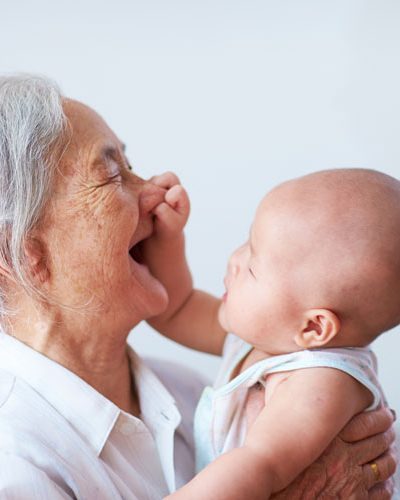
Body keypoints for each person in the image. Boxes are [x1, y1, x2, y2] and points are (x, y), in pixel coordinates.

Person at [0, 75, 395, 499]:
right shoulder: (17, 461)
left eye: (131, 166)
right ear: (25, 255)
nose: (157, 188)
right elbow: (183, 307)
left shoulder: (189, 393)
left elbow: (178, 308)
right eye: (114, 175)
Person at [145, 168, 400, 499]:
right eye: (247, 241)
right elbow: (175, 308)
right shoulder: (265, 340)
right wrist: (168, 239)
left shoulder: (323, 381)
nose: (234, 260)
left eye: (252, 266)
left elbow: (261, 465)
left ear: (314, 327)